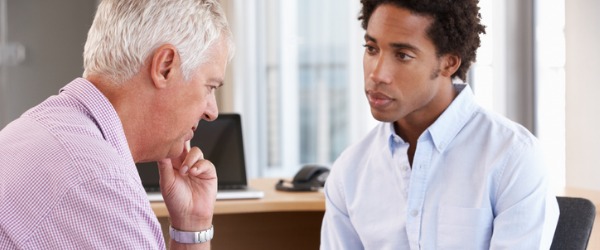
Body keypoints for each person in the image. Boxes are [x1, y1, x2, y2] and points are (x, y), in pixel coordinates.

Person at [320, 0, 559, 249]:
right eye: (371, 49)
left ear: (448, 63)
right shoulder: (349, 171)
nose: (377, 74)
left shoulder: (513, 157)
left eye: (402, 55)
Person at [0, 0, 233, 249]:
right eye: (209, 87)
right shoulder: (99, 182)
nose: (212, 112)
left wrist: (191, 223)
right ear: (165, 67)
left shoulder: (36, 128)